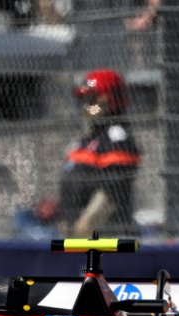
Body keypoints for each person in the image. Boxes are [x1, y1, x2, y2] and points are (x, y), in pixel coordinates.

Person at [58, 69, 141, 238]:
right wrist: (66, 219)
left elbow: (114, 189)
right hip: (75, 232)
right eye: (83, 100)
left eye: (91, 99)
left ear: (108, 100)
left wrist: (87, 222)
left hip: (104, 234)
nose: (86, 106)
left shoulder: (117, 138)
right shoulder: (87, 139)